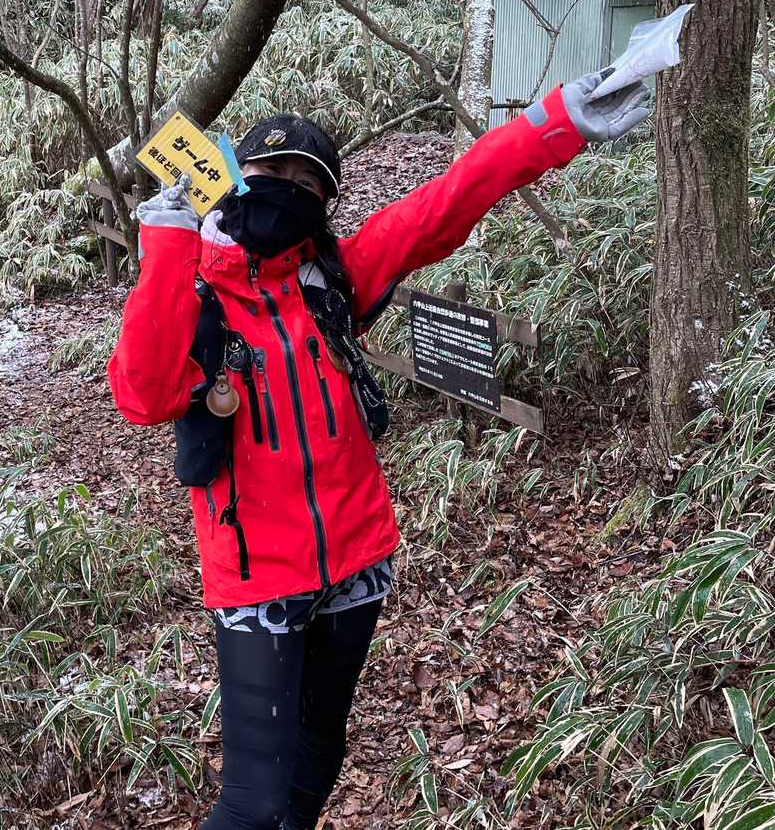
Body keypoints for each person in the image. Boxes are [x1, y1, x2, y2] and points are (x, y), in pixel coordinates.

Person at [107, 71, 649, 829]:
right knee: (253, 803)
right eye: (271, 171)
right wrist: (168, 242)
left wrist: (556, 121)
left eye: (309, 182)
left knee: (317, 752)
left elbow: (447, 202)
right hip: (257, 579)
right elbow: (143, 396)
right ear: (231, 176)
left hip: (357, 561)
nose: (288, 188)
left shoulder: (336, 279)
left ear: (325, 206)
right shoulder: (196, 292)